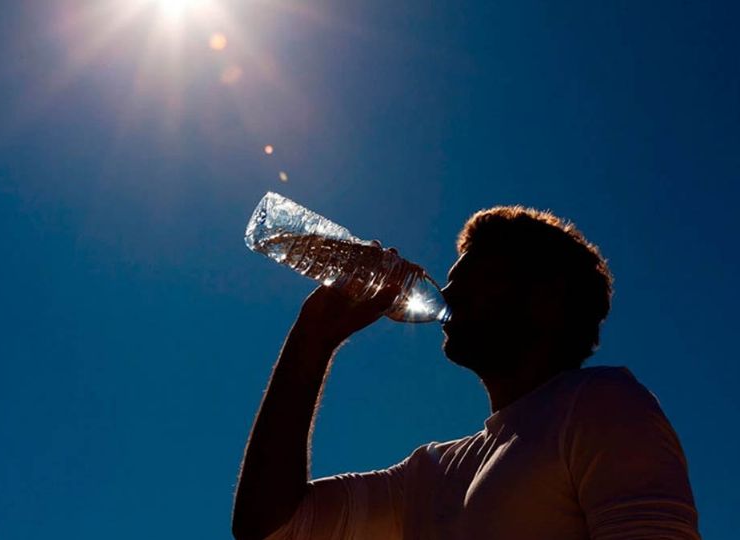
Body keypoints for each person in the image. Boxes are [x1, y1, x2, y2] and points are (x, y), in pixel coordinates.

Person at [232, 205, 700, 539]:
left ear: (545, 300)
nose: (448, 293)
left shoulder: (601, 403)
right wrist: (313, 338)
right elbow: (270, 525)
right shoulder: (431, 473)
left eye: (475, 281)